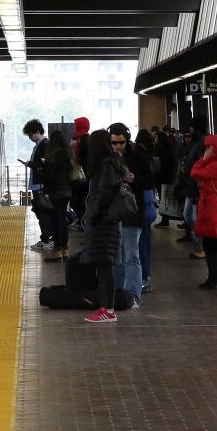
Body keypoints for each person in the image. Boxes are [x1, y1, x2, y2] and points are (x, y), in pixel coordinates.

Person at [81, 129, 126, 323]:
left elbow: (102, 195)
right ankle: (106, 308)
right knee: (104, 266)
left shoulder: (106, 166)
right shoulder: (109, 164)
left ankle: (108, 309)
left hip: (104, 223)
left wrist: (91, 217)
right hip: (105, 222)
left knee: (106, 267)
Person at [109, 123, 155, 306]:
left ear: (127, 140)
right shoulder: (107, 159)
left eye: (121, 142)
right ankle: (119, 292)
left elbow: (151, 181)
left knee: (131, 254)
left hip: (132, 211)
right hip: (114, 214)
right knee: (117, 256)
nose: (117, 146)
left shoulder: (139, 157)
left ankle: (133, 294)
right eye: (114, 142)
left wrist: (134, 180)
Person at [191, 135, 217, 290]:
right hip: (214, 210)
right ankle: (214, 277)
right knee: (212, 244)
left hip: (214, 211)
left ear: (212, 148)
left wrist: (203, 160)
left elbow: (195, 173)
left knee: (214, 245)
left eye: (207, 147)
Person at [177, 115, 209, 258]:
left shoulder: (202, 142)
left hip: (197, 187)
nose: (189, 130)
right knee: (188, 215)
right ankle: (199, 243)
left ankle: (201, 244)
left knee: (193, 216)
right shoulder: (196, 142)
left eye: (191, 127)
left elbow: (203, 163)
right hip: (191, 185)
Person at [41, 130, 73, 263]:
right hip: (67, 191)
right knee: (63, 219)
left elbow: (49, 177)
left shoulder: (52, 157)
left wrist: (42, 168)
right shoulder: (68, 154)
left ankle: (58, 249)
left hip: (56, 193)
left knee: (57, 220)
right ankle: (65, 249)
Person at [21, 119, 53, 251]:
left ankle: (46, 239)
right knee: (41, 212)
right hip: (38, 185)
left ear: (37, 131)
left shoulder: (44, 145)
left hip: (40, 186)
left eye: (30, 134)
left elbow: (44, 166)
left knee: (43, 213)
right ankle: (46, 238)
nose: (29, 137)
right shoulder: (41, 145)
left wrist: (31, 164)